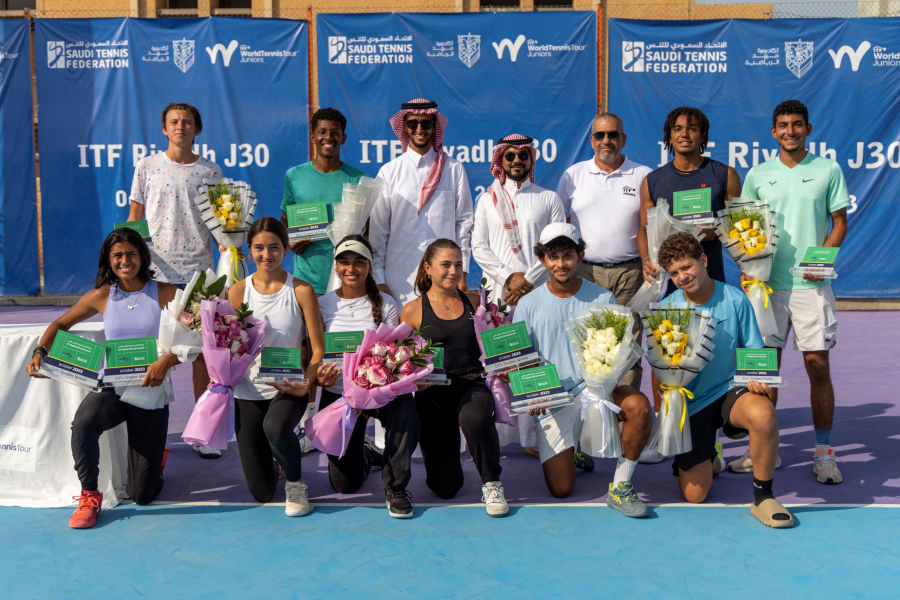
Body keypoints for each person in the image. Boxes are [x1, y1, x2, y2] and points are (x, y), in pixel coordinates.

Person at [26, 228, 187, 528]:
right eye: (118, 255)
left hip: (150, 390)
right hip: (112, 387)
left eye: (131, 254)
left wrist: (167, 361)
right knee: (84, 423)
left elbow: (198, 334)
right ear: (108, 260)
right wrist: (40, 352)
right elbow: (61, 322)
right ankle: (89, 494)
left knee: (142, 495)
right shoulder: (102, 295)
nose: (125, 261)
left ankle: (156, 460)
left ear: (142, 257)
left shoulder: (165, 292)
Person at [734, 99, 849, 484]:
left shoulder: (827, 169)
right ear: (773, 131)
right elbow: (744, 230)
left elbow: (838, 222)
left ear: (808, 129)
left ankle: (824, 453)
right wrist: (748, 268)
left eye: (797, 124)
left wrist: (823, 258)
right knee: (765, 373)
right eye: (782, 125)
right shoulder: (757, 174)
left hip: (811, 288)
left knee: (818, 368)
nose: (790, 131)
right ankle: (768, 452)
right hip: (765, 289)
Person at [512, 223, 652, 517]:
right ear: (542, 260)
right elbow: (522, 359)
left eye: (567, 256)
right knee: (561, 489)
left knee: (638, 406)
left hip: (596, 393)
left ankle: (621, 487)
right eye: (553, 257)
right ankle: (574, 450)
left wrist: (608, 378)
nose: (561, 264)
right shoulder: (527, 304)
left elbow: (612, 353)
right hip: (552, 399)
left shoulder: (603, 298)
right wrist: (533, 392)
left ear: (580, 256)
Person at [657, 232, 793, 528]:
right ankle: (710, 456)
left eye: (687, 267)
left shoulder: (735, 299)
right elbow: (662, 374)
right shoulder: (666, 310)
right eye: (675, 273)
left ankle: (764, 497)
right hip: (691, 405)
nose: (683, 276)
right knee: (695, 495)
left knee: (763, 411)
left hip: (730, 391)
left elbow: (755, 349)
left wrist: (759, 381)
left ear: (703, 260)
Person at [128, 102, 224, 458]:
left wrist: (231, 262)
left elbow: (220, 225)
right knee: (159, 353)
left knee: (202, 356)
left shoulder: (211, 171)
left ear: (197, 129)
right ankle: (149, 433)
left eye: (187, 122)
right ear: (164, 129)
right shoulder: (147, 166)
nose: (180, 126)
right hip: (156, 274)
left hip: (200, 274)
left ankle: (203, 431)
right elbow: (135, 215)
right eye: (173, 122)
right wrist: (133, 264)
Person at [400, 239, 508, 517]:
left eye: (458, 265)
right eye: (445, 264)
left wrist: (508, 365)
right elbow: (402, 361)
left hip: (471, 383)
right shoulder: (412, 310)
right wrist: (413, 378)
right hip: (432, 393)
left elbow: (497, 344)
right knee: (445, 487)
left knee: (474, 417)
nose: (453, 271)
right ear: (428, 268)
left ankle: (492, 482)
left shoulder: (475, 301)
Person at [315, 235, 420, 519]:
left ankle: (396, 487)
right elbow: (312, 353)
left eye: (359, 262)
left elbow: (393, 355)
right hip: (338, 393)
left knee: (406, 413)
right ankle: (366, 454)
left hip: (381, 393)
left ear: (369, 266)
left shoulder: (386, 303)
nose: (351, 269)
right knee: (345, 484)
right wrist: (319, 377)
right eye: (344, 262)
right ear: (335, 267)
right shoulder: (321, 304)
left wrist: (369, 389)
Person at [227, 218, 325, 517]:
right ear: (249, 249)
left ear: (286, 249)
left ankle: (296, 485)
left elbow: (318, 349)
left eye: (274, 248)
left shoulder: (301, 290)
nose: (266, 255)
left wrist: (306, 385)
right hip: (248, 392)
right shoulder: (236, 292)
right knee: (261, 492)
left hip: (289, 389)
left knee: (275, 427)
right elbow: (229, 346)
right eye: (259, 248)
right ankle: (278, 457)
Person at [557, 113, 652, 391]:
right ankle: (588, 419)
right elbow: (562, 224)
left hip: (631, 276)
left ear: (623, 139)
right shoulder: (572, 175)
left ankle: (626, 420)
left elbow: (651, 226)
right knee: (585, 345)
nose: (606, 141)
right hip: (584, 275)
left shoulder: (643, 175)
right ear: (591, 140)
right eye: (600, 135)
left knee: (627, 350)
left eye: (613, 135)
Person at [370, 99, 474, 307]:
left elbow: (464, 224)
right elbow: (378, 232)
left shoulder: (453, 170)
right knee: (402, 338)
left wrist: (463, 272)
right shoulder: (389, 172)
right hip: (399, 278)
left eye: (426, 123)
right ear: (404, 127)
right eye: (412, 123)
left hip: (445, 276)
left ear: (434, 126)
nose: (419, 129)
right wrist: (379, 280)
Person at [639, 106, 742, 290]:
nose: (684, 134)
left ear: (702, 135)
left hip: (712, 279)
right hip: (669, 285)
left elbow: (739, 228)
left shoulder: (724, 175)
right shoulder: (652, 181)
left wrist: (715, 231)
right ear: (669, 136)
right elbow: (642, 229)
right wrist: (646, 259)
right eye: (677, 129)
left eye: (692, 128)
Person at [280, 107, 369, 296]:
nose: (328, 137)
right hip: (306, 283)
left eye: (335, 133)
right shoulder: (294, 176)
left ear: (343, 138)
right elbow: (285, 219)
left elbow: (368, 231)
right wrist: (290, 242)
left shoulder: (360, 180)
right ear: (312, 137)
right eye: (322, 132)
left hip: (348, 282)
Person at [473, 133, 565, 306]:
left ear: (531, 160)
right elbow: (478, 246)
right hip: (499, 290)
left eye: (523, 155)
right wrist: (508, 276)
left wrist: (529, 280)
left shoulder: (549, 198)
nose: (517, 160)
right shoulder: (487, 200)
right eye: (510, 156)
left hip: (539, 287)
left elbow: (556, 247)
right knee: (500, 331)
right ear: (500, 161)